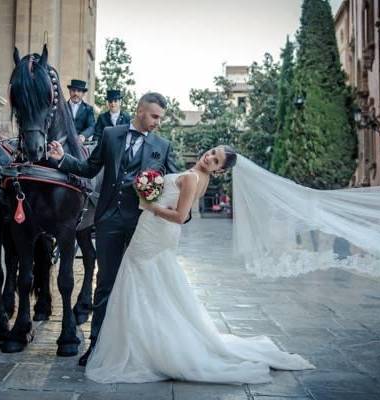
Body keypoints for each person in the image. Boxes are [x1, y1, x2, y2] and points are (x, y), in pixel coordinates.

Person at [81, 145, 314, 384]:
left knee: (139, 278)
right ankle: (146, 337)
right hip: (157, 231)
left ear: (219, 171)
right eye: (213, 152)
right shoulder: (197, 176)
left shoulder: (193, 177)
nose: (210, 157)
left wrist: (151, 205)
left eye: (216, 161)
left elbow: (181, 217)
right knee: (152, 283)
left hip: (155, 230)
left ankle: (141, 345)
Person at [48, 92, 179, 366]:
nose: (158, 122)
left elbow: (175, 184)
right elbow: (89, 167)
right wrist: (62, 159)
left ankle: (139, 349)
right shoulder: (111, 134)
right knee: (105, 284)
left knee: (140, 287)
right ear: (141, 110)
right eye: (155, 116)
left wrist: (181, 211)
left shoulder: (162, 146)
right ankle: (98, 347)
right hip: (108, 221)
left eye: (161, 118)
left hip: (141, 225)